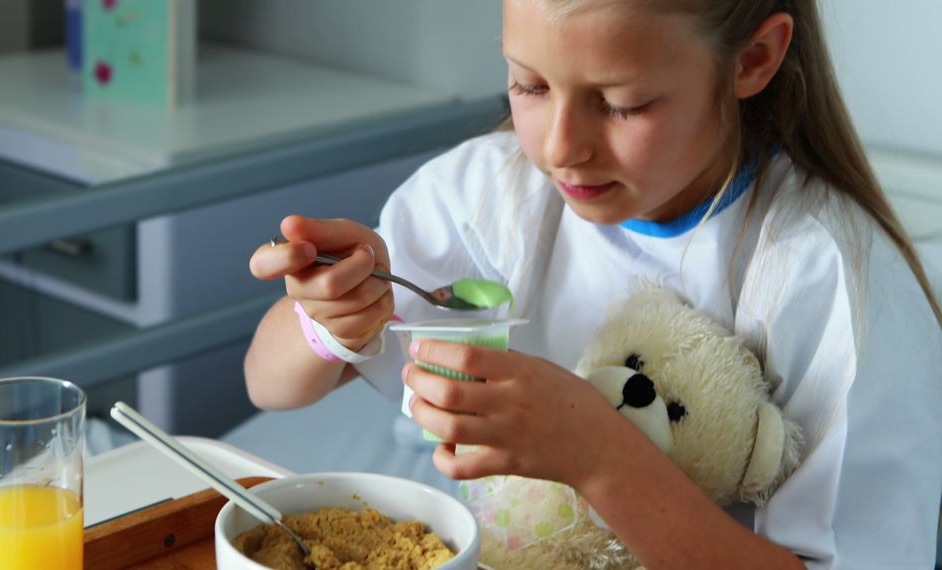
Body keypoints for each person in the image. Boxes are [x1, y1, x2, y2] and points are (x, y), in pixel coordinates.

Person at [245, 0, 942, 567]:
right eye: (530, 86)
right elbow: (270, 386)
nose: (558, 148)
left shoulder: (826, 277)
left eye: (622, 104)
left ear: (753, 60)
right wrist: (333, 316)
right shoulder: (489, 197)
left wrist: (600, 458)